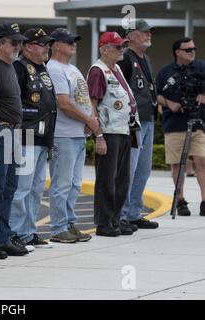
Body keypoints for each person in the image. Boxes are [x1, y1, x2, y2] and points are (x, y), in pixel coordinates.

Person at [0, 23, 29, 259]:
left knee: (9, 188)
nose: (17, 47)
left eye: (19, 42)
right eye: (13, 42)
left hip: (12, 134)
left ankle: (2, 236)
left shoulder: (10, 67)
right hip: (0, 133)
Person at [87, 32, 140, 237]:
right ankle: (104, 223)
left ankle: (114, 220)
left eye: (123, 47)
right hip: (108, 132)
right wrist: (98, 135)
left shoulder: (116, 68)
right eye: (117, 47)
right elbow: (92, 104)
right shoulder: (98, 70)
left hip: (123, 130)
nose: (122, 50)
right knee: (106, 180)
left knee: (121, 180)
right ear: (104, 49)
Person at [47, 28, 96, 243]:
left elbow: (84, 100)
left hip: (78, 134)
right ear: (56, 45)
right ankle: (59, 228)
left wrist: (90, 121)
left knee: (75, 184)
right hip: (63, 134)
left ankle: (68, 223)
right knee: (62, 183)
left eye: (74, 41)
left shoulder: (72, 68)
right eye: (69, 42)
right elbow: (63, 102)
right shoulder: (54, 69)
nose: (73, 44)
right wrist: (88, 121)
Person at [9, 27, 57, 249]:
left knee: (37, 188)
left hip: (42, 137)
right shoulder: (19, 68)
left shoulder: (42, 68)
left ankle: (29, 231)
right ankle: (15, 233)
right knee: (22, 189)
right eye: (42, 44)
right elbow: (16, 102)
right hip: (26, 137)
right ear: (28, 46)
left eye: (47, 44)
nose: (47, 48)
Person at [156, 37, 205, 216]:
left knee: (201, 161)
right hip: (175, 123)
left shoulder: (201, 67)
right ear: (177, 52)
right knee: (177, 164)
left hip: (198, 122)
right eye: (188, 49)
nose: (192, 52)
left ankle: (204, 201)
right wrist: (169, 103)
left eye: (194, 48)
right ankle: (181, 200)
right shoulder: (165, 72)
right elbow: (156, 94)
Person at [118, 19, 159, 230]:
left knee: (143, 170)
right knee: (130, 169)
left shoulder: (146, 58)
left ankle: (134, 213)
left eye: (149, 32)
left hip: (148, 119)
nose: (148, 35)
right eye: (144, 32)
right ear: (131, 35)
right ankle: (122, 215)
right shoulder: (125, 58)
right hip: (133, 122)